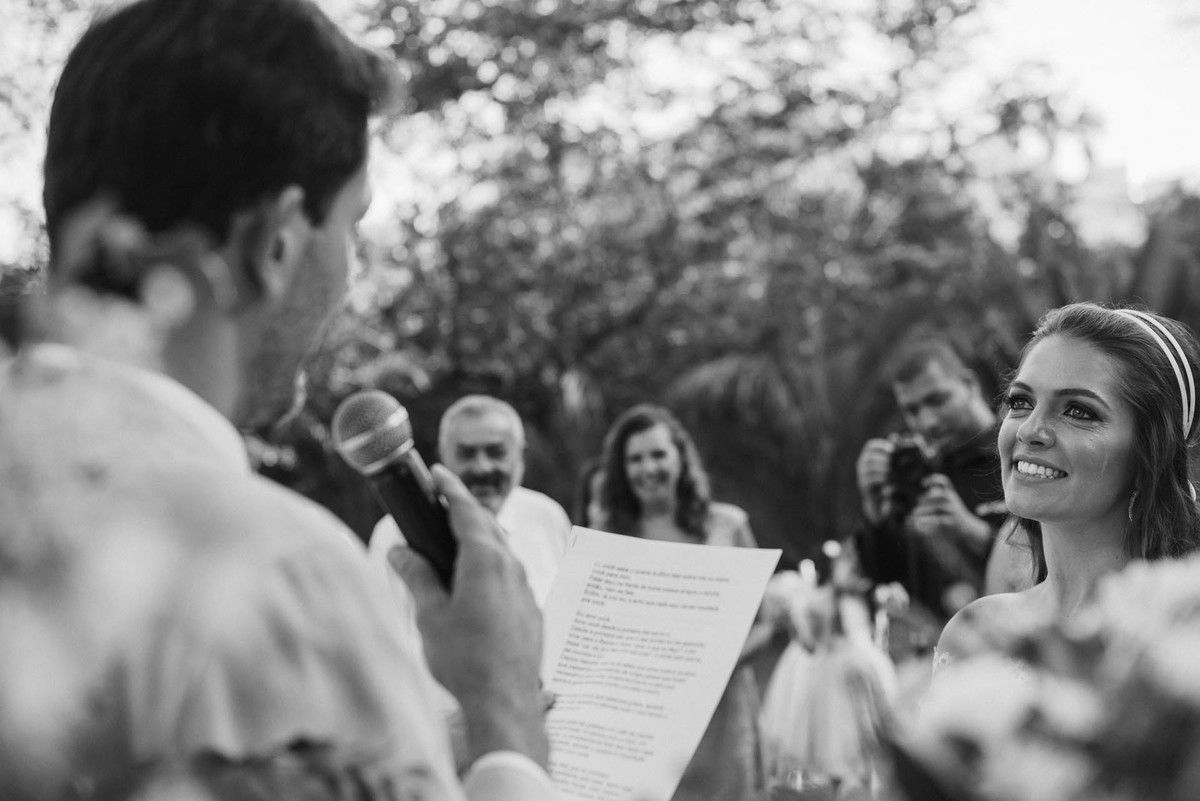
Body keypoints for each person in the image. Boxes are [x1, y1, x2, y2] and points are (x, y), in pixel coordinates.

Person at [0, 0, 552, 798]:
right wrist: (507, 723)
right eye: (353, 226)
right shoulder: (278, 576)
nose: (353, 272)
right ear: (279, 240)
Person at [935, 302, 1200, 670]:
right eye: (1021, 402)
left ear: (1148, 455)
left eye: (1078, 411)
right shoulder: (974, 637)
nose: (1029, 430)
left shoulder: (1180, 647)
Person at [597, 403, 784, 801]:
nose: (648, 468)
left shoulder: (728, 525)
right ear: (621, 470)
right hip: (646, 714)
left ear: (681, 456)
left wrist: (713, 669)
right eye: (635, 459)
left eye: (658, 454)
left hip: (723, 712)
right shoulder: (609, 536)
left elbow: (765, 624)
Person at [854, 339, 1011, 629]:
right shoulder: (918, 474)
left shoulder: (1018, 452)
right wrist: (874, 512)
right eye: (912, 411)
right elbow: (885, 577)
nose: (927, 422)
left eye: (937, 400)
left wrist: (971, 531)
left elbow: (1053, 560)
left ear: (969, 384)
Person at [371, 394, 572, 608]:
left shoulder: (547, 515)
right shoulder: (396, 534)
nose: (482, 468)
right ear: (443, 455)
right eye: (466, 454)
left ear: (521, 454)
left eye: (496, 452)